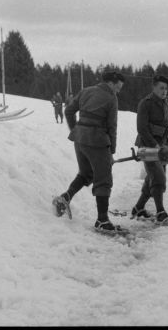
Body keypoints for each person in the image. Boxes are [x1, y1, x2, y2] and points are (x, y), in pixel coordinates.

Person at [52, 71, 126, 234]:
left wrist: (76, 130)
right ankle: (102, 220)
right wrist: (111, 152)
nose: (118, 91)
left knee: (86, 174)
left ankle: (65, 197)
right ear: (111, 83)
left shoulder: (86, 91)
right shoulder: (111, 97)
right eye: (118, 87)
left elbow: (68, 111)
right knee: (104, 179)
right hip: (98, 142)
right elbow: (112, 127)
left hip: (80, 139)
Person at [131, 75, 168, 225]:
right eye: (161, 88)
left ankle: (138, 208)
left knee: (153, 177)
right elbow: (142, 128)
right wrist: (155, 146)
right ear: (154, 88)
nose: (164, 91)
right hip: (147, 146)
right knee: (158, 178)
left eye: (166, 89)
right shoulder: (145, 103)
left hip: (163, 146)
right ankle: (160, 213)